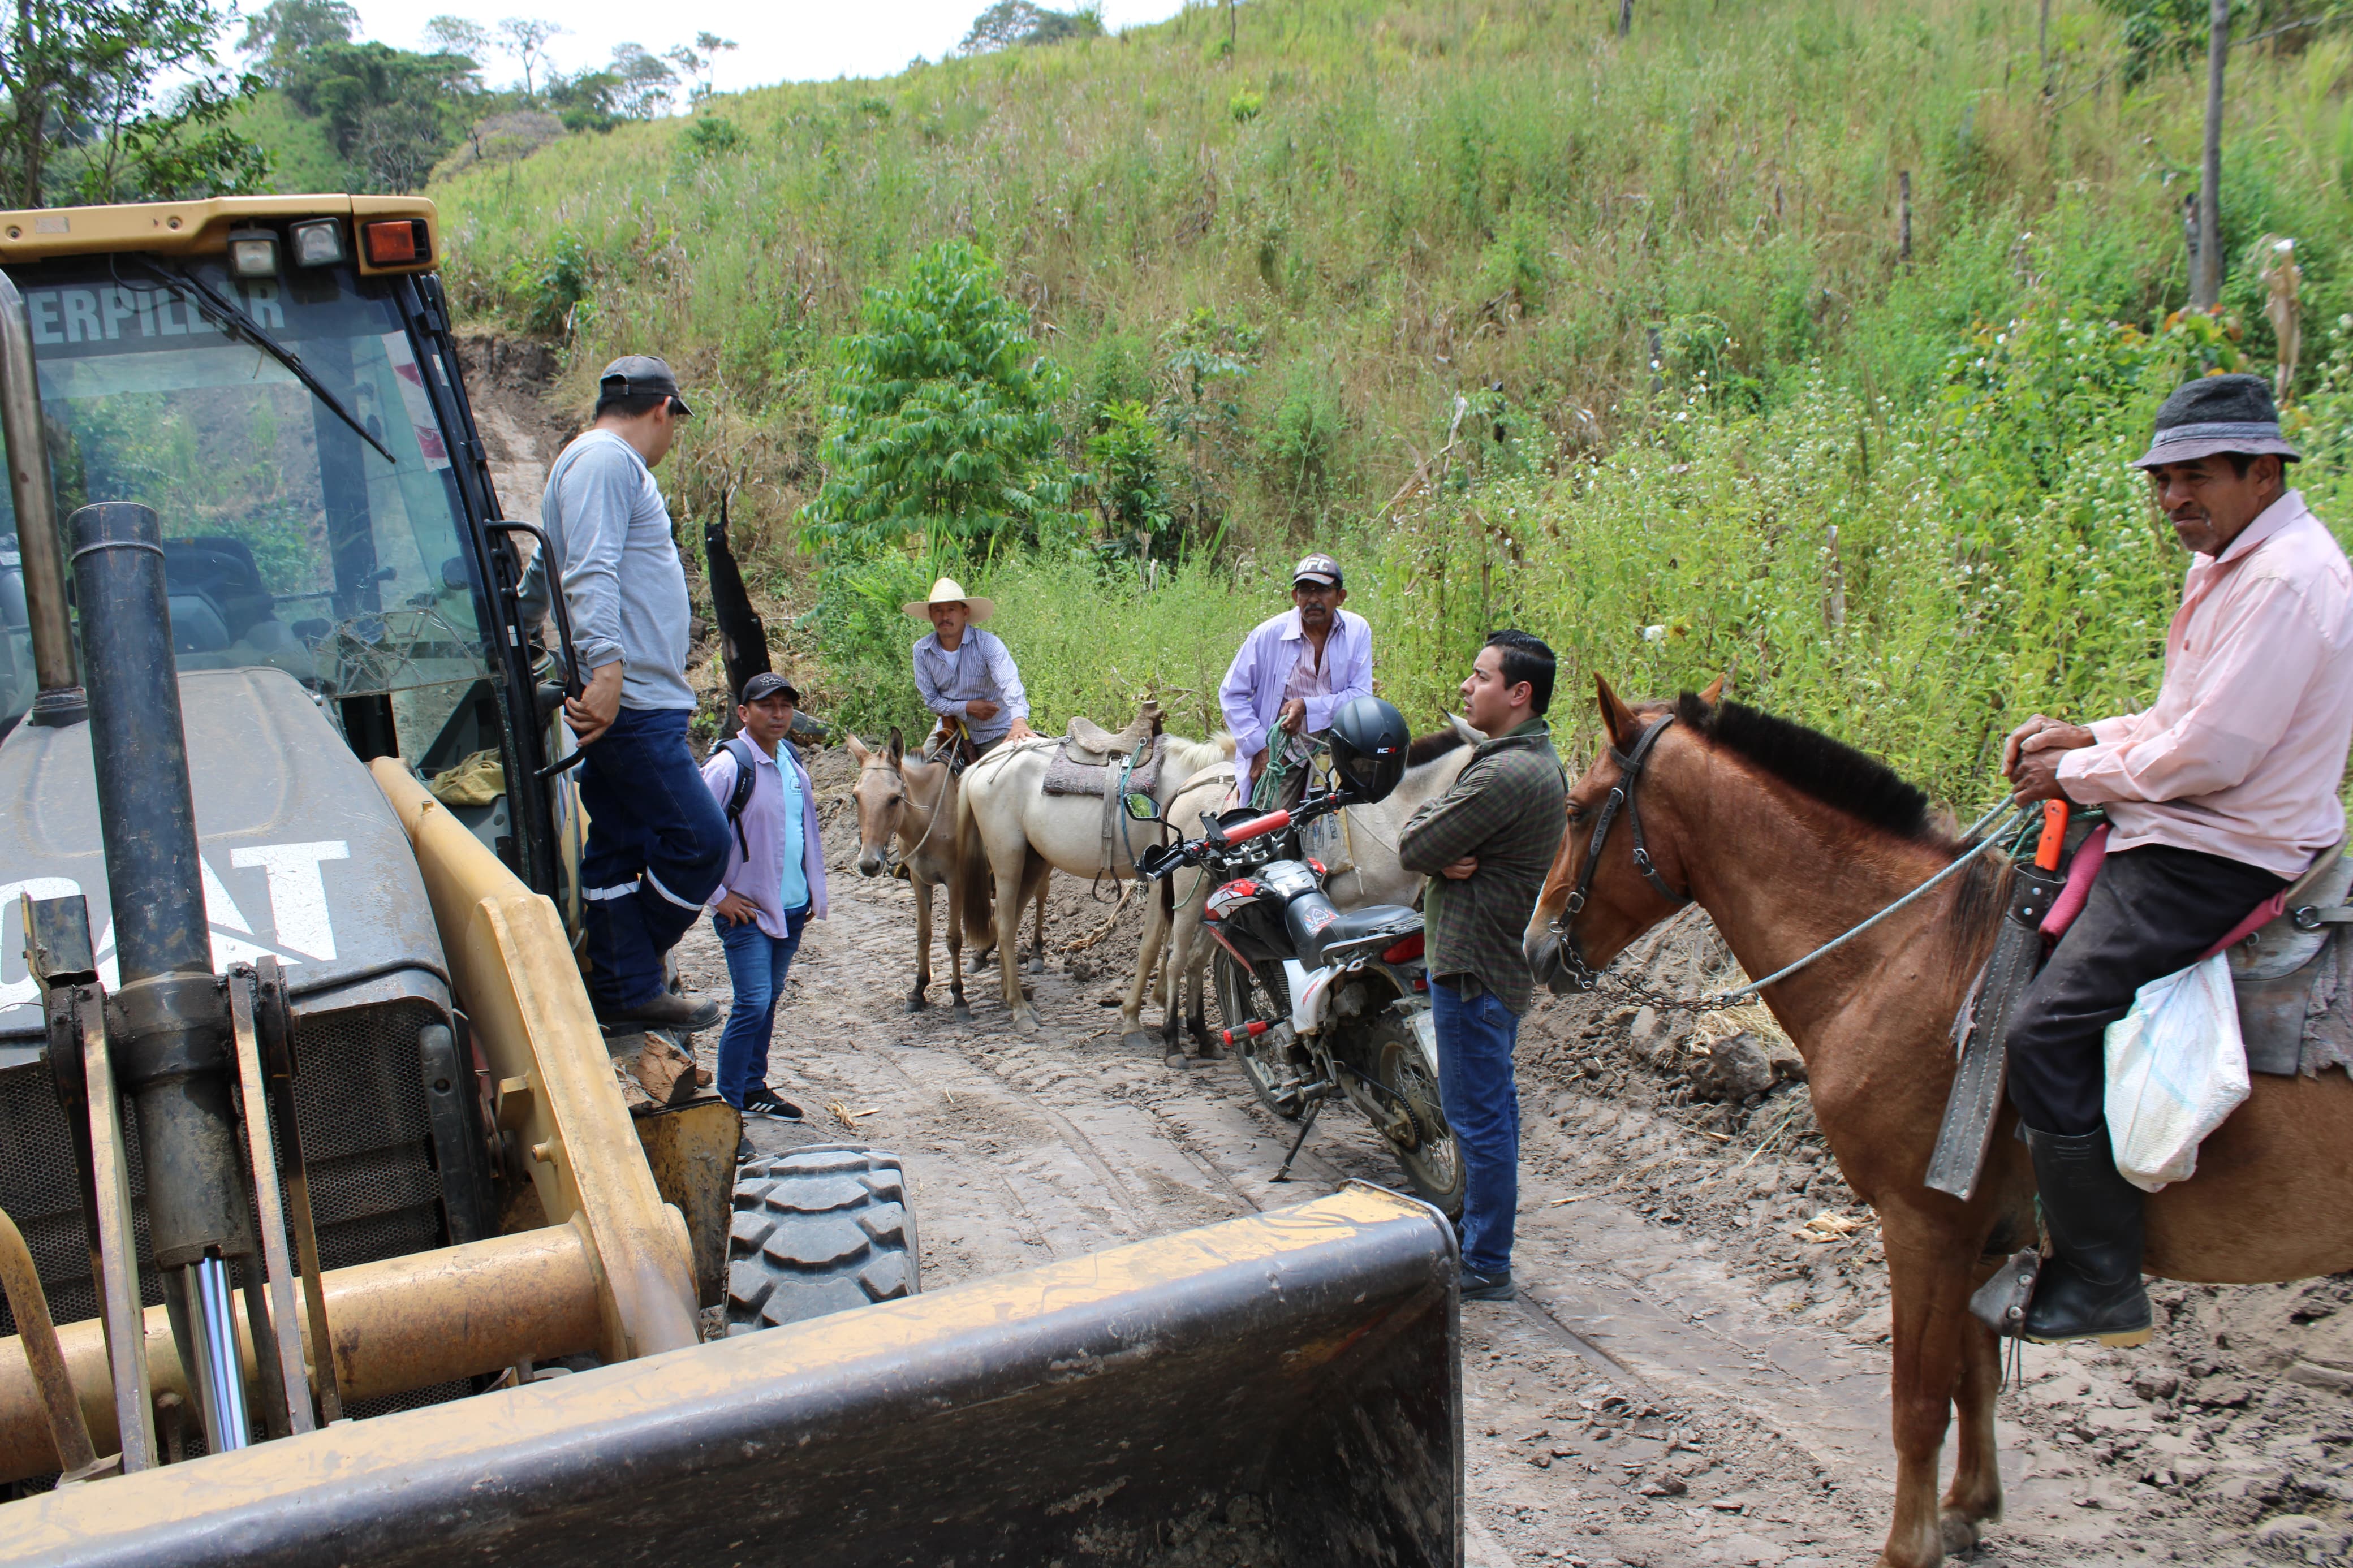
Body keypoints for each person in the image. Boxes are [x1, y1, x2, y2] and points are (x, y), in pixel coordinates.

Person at [2001, 373, 2353, 1345]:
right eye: (2162, 480)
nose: (2173, 499)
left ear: (2263, 471)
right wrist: (2089, 736)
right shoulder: (2232, 564)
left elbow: (2212, 755)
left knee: (2043, 1032)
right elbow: (2180, 717)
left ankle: (2100, 1277)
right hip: (2190, 825)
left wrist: (2077, 771)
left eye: (2196, 477)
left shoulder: (2284, 583)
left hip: (2218, 854)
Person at [531, 355, 730, 1032]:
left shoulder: (576, 464)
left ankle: (624, 986)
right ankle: (630, 970)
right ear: (662, 409)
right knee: (701, 840)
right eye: (675, 422)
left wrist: (522, 623)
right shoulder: (608, 462)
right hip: (635, 700)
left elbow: (545, 565)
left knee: (617, 848)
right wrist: (608, 671)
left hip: (638, 695)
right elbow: (588, 569)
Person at [1397, 630, 1568, 1302]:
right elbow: (1434, 843)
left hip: (1474, 966)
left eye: (1481, 676)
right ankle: (1479, 1233)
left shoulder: (1503, 774)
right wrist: (1445, 851)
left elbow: (1414, 842)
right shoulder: (1528, 760)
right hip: (1492, 963)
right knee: (1489, 1107)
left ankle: (1485, 1259)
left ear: (1518, 693)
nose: (1467, 687)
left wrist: (1437, 849)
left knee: (1477, 1114)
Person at [701, 673, 827, 1121]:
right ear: (743, 712)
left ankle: (752, 1086)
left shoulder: (791, 759)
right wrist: (719, 897)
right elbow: (688, 835)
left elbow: (800, 830)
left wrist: (810, 889)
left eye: (785, 706)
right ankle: (728, 1107)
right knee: (752, 1001)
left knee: (768, 999)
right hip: (747, 912)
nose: (777, 714)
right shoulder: (727, 767)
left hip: (790, 909)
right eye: (766, 706)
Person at [1218, 553, 1374, 810]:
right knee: (1271, 824)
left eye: (1322, 590)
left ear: (1341, 596)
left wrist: (1307, 708)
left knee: (1377, 805)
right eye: (1304, 590)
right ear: (1295, 597)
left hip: (1340, 744)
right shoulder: (1268, 634)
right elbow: (1232, 693)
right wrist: (1262, 747)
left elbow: (1361, 695)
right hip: (1287, 751)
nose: (1313, 599)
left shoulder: (1357, 631)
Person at [907, 576, 1033, 766]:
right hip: (949, 729)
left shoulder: (988, 644)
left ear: (965, 613)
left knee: (1005, 774)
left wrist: (1019, 721)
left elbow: (1010, 683)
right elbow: (932, 701)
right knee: (917, 772)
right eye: (938, 611)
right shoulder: (922, 650)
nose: (945, 617)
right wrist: (967, 707)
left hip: (993, 731)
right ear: (931, 615)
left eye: (951, 609)